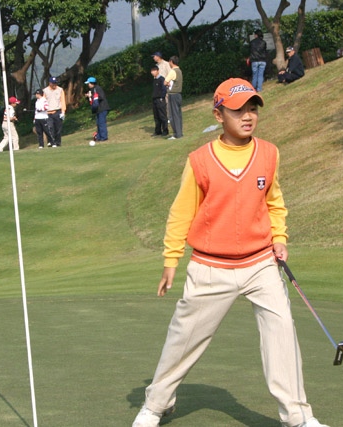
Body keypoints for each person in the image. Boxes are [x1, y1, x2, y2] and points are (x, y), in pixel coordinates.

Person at [132, 78, 328, 427]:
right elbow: (181, 213)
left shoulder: (269, 154)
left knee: (282, 334)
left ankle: (298, 416)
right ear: (218, 115)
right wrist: (171, 260)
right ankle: (156, 405)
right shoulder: (200, 160)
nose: (248, 116)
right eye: (238, 110)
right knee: (184, 338)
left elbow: (274, 203)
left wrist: (280, 238)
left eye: (253, 109)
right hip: (210, 266)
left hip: (261, 263)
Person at [84, 76, 110, 142]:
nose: (88, 85)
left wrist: (92, 96)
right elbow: (92, 100)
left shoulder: (97, 88)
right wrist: (88, 96)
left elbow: (101, 97)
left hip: (102, 108)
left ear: (92, 83)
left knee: (101, 123)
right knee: (98, 123)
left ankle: (103, 137)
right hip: (98, 109)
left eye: (89, 83)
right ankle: (99, 137)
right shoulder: (92, 90)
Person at [43, 76, 66, 147]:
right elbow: (43, 102)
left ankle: (58, 143)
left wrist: (63, 111)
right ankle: (51, 142)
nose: (54, 84)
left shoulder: (60, 90)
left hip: (57, 111)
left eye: (55, 83)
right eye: (53, 83)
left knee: (58, 129)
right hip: (48, 112)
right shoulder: (45, 91)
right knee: (50, 128)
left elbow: (62, 101)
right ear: (49, 83)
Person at [164, 56, 183, 139]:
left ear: (171, 62)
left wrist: (168, 84)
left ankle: (176, 134)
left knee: (173, 115)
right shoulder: (179, 70)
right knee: (178, 114)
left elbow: (165, 82)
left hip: (173, 95)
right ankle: (179, 133)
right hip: (178, 94)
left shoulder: (173, 71)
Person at [150, 66, 168, 137]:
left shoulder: (161, 79)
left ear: (157, 71)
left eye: (154, 70)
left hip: (160, 99)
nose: (152, 72)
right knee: (156, 116)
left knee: (162, 115)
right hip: (154, 100)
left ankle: (165, 131)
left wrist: (162, 97)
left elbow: (164, 89)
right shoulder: (154, 80)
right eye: (152, 71)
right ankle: (158, 131)